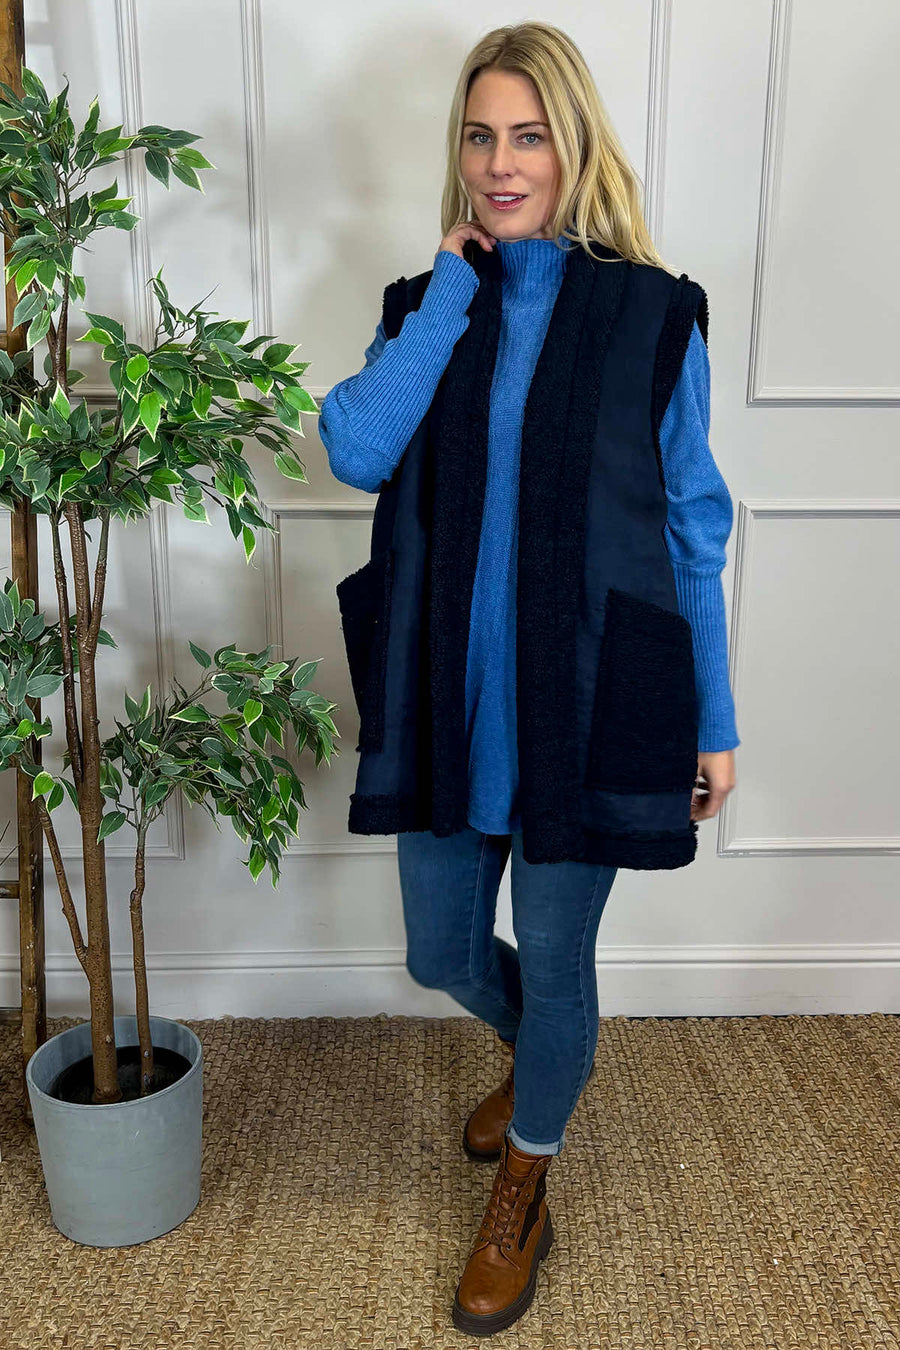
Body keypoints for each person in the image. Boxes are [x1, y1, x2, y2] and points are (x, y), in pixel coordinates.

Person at [319, 20, 739, 1338]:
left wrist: (715, 718)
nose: (501, 163)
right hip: (447, 699)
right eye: (479, 136)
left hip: (594, 698)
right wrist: (451, 293)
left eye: (529, 135)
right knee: (440, 951)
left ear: (575, 147)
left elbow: (694, 527)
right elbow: (355, 448)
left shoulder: (654, 314)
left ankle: (527, 1177)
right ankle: (548, 1057)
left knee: (557, 961)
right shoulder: (427, 307)